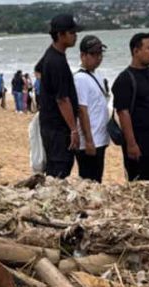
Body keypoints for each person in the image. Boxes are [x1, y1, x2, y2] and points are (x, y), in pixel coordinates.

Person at [112, 32, 149, 188]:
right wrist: (131, 144)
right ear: (136, 51)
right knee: (139, 188)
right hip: (139, 140)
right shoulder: (124, 79)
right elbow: (123, 113)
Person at [36, 14, 81, 178]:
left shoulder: (52, 55)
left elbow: (38, 69)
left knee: (58, 165)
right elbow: (62, 99)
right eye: (72, 32)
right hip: (57, 127)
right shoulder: (56, 61)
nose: (75, 35)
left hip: (52, 124)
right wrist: (73, 130)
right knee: (60, 167)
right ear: (60, 35)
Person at [74, 35, 110, 183]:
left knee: (97, 178)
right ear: (83, 55)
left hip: (100, 138)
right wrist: (89, 140)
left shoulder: (96, 75)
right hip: (89, 141)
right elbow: (82, 110)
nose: (98, 58)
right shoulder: (80, 79)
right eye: (94, 54)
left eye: (100, 54)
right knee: (89, 180)